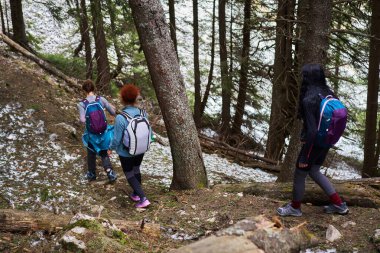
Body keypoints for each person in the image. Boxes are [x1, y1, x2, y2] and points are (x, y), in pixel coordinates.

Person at [277, 64, 349, 217]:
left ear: (307, 78)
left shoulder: (309, 99)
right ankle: (339, 204)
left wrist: (304, 156)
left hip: (314, 142)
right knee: (315, 171)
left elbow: (312, 131)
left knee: (300, 174)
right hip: (327, 140)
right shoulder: (329, 93)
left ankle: (295, 208)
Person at [109, 84, 151, 208]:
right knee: (136, 169)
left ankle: (143, 198)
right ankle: (135, 194)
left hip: (126, 152)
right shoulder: (144, 114)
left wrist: (110, 148)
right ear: (135, 98)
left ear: (122, 99)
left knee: (129, 174)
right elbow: (150, 132)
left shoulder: (121, 118)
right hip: (141, 149)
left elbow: (116, 139)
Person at [78, 79, 117, 182]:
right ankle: (110, 172)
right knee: (104, 151)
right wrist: (110, 106)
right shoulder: (101, 99)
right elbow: (113, 112)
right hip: (103, 132)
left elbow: (82, 120)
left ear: (84, 90)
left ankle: (91, 174)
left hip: (91, 134)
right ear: (94, 88)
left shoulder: (82, 104)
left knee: (91, 151)